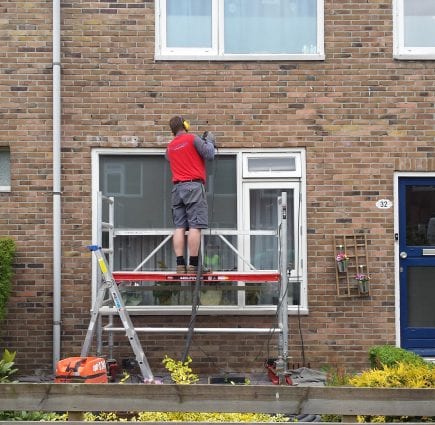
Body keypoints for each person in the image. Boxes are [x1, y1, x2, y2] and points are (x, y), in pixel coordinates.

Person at [166, 116, 216, 273]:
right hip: (193, 187)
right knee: (195, 226)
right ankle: (194, 265)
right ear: (185, 125)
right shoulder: (192, 138)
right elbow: (209, 154)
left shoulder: (169, 147)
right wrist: (209, 141)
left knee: (180, 227)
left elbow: (170, 158)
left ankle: (180, 264)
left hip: (177, 189)